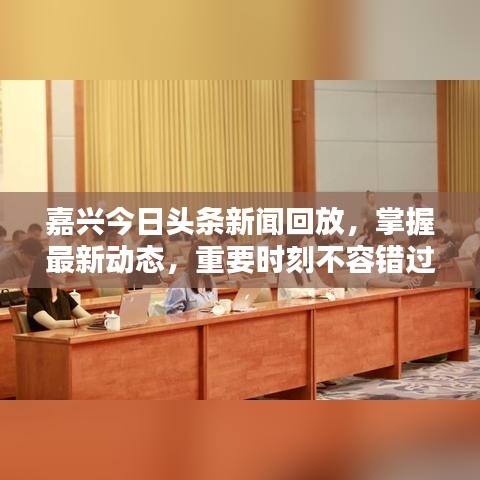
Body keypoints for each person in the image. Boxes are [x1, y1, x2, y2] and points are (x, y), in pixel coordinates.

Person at [27, 252, 104, 331]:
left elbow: (88, 317)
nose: (66, 272)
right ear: (50, 274)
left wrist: (102, 318)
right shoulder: (34, 301)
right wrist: (85, 321)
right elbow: (53, 325)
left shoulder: (64, 296)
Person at [348, 233, 422, 290]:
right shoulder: (361, 261)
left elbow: (400, 277)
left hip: (378, 297)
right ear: (376, 247)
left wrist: (411, 279)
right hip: (358, 301)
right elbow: (372, 283)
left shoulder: (385, 261)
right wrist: (399, 285)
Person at [164, 240, 218, 314]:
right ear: (196, 260)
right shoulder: (180, 285)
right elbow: (172, 316)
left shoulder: (210, 280)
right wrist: (201, 309)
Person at [278, 235, 328, 300]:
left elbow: (321, 286)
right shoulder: (285, 268)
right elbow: (292, 293)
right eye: (305, 244)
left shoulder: (308, 266)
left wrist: (330, 290)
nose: (309, 247)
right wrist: (316, 292)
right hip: (291, 305)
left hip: (309, 304)